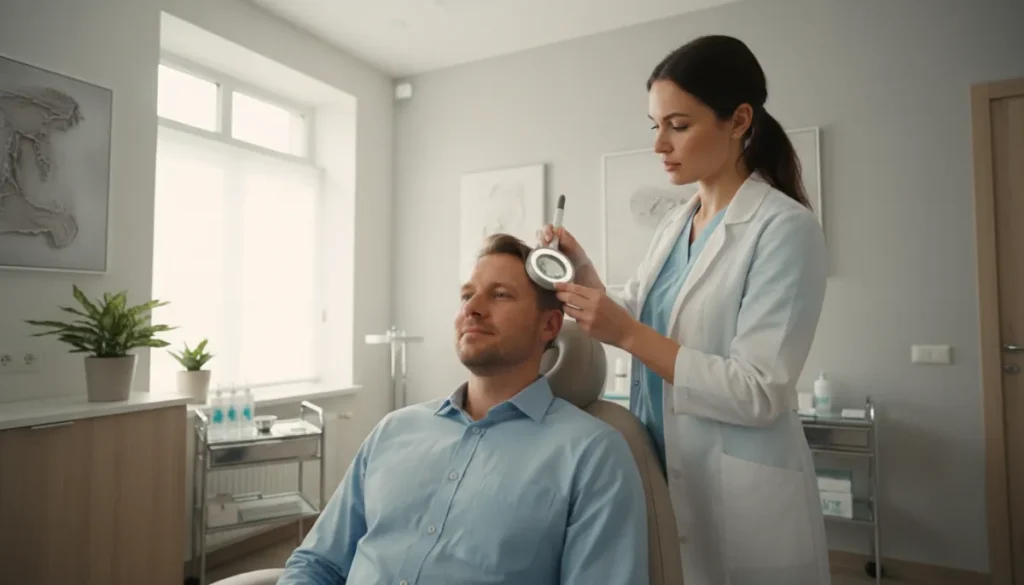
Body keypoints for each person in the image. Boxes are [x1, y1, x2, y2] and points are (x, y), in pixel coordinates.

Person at [540, 35, 830, 585]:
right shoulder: (678, 222)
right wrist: (582, 271)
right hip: (663, 462)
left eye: (677, 125)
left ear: (738, 120)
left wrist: (626, 334)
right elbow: (641, 314)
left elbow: (759, 391)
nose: (659, 144)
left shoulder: (785, 229)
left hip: (740, 492)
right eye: (655, 125)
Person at [277, 233, 650, 585]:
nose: (472, 308)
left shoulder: (593, 454)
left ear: (549, 325)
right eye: (466, 295)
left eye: (499, 295)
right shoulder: (394, 431)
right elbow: (317, 562)